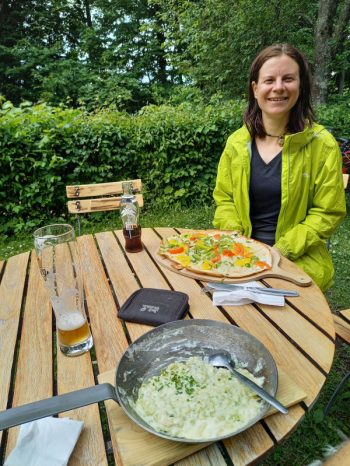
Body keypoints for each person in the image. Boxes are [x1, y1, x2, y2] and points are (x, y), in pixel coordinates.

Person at [213, 43, 346, 291]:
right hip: (239, 258)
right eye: (269, 80)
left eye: (288, 79)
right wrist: (239, 242)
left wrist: (279, 252)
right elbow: (225, 199)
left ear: (301, 86)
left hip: (297, 264)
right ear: (255, 88)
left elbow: (327, 213)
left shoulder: (322, 145)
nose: (278, 87)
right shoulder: (236, 143)